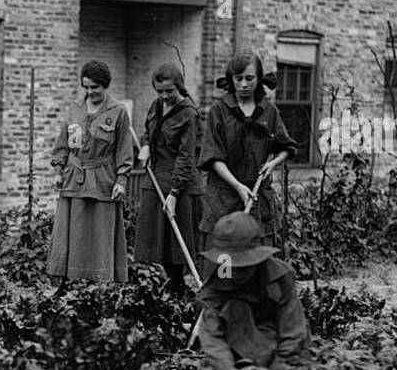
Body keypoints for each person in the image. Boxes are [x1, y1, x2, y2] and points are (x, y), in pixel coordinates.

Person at [199, 53, 295, 264]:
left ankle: (255, 296)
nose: (243, 84)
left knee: (257, 257)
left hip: (257, 196)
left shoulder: (269, 111)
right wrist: (238, 186)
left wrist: (273, 163)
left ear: (259, 78)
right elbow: (213, 157)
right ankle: (224, 293)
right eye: (238, 78)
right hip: (223, 196)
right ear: (231, 79)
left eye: (249, 79)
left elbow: (285, 147)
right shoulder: (219, 110)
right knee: (225, 259)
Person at [47, 60, 135, 284]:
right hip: (74, 178)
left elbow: (124, 149)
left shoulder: (117, 112)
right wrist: (58, 169)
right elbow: (63, 142)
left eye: (94, 87)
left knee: (99, 233)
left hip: (103, 180)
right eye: (85, 87)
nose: (90, 92)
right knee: (74, 231)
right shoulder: (75, 108)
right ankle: (71, 281)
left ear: (105, 86)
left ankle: (100, 281)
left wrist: (121, 180)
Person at [197, 212, 311, 370]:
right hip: (237, 349)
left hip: (279, 346)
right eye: (231, 263)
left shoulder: (279, 276)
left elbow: (293, 329)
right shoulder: (221, 279)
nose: (235, 270)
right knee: (235, 308)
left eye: (242, 264)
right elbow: (212, 336)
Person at [133, 62, 201, 293]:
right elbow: (147, 131)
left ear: (179, 87)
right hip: (154, 180)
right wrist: (145, 146)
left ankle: (178, 288)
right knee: (156, 240)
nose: (164, 96)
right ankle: (163, 287)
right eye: (159, 91)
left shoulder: (189, 114)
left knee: (176, 243)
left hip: (179, 183)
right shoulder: (156, 105)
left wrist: (174, 193)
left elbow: (186, 156)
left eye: (169, 91)